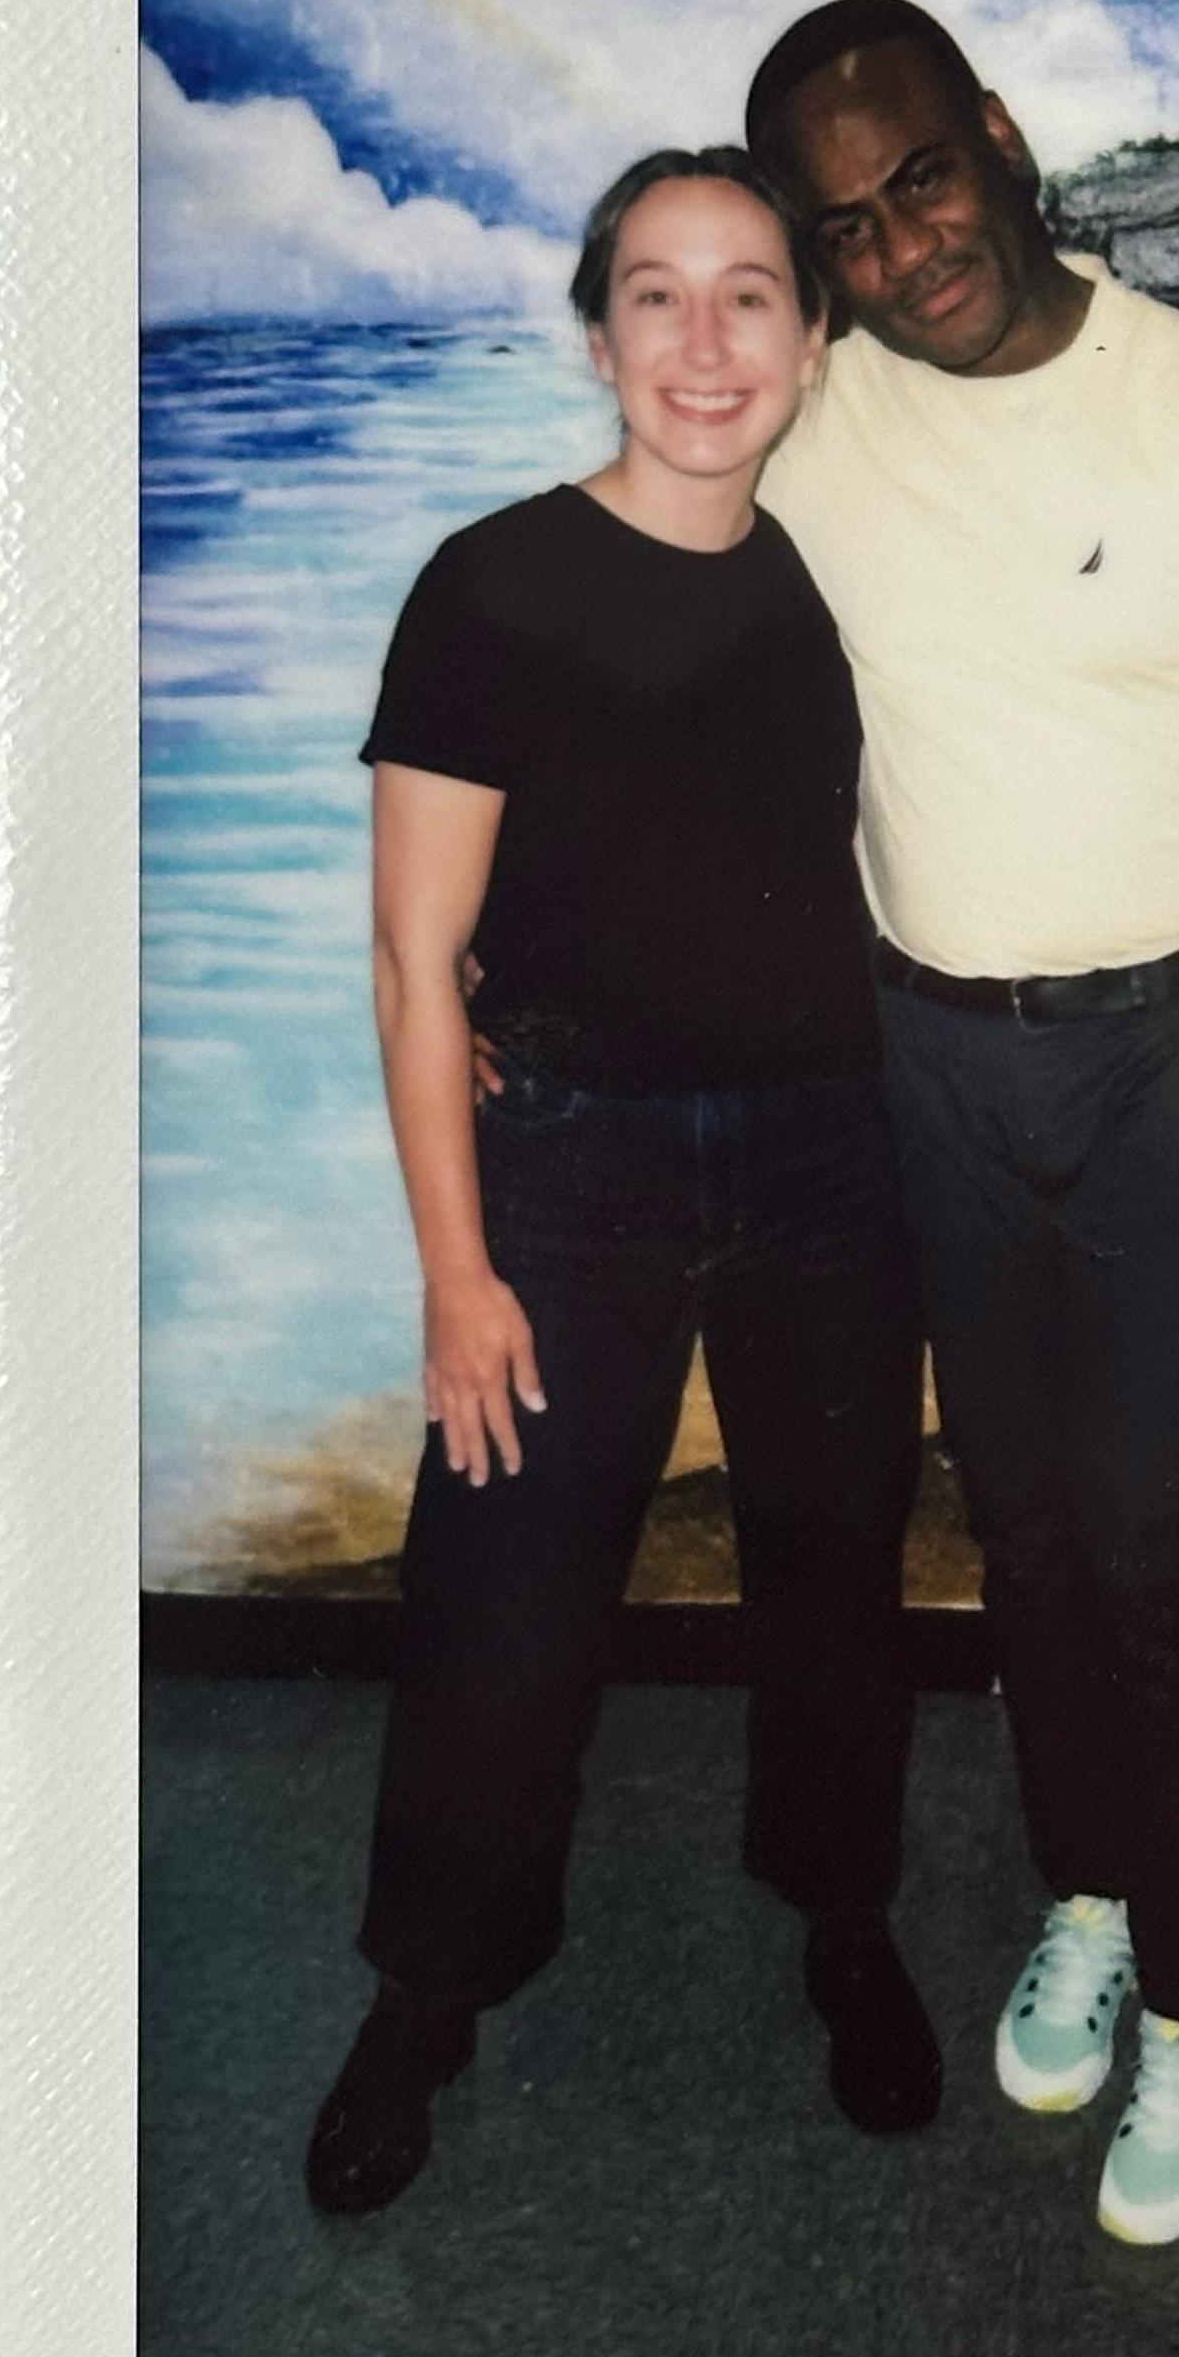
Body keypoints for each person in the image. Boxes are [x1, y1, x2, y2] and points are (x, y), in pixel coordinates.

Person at [743, 0, 1179, 2246]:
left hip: (1164, 1062)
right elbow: (642, 629)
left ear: (1000, 141)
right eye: (844, 224)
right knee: (1020, 1532)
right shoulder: (810, 424)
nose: (900, 246)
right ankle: (1096, 1890)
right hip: (928, 1060)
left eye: (921, 178)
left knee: (1153, 1547)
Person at [300, 146, 941, 2220]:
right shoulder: (490, 586)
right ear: (597, 338)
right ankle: (427, 1990)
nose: (704, 339)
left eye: (751, 291)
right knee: (500, 1597)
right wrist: (456, 1267)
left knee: (835, 1572)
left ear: (814, 341)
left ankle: (846, 1921)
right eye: (655, 293)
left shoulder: (845, 575)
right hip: (570, 1168)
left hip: (830, 1152)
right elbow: (414, 958)